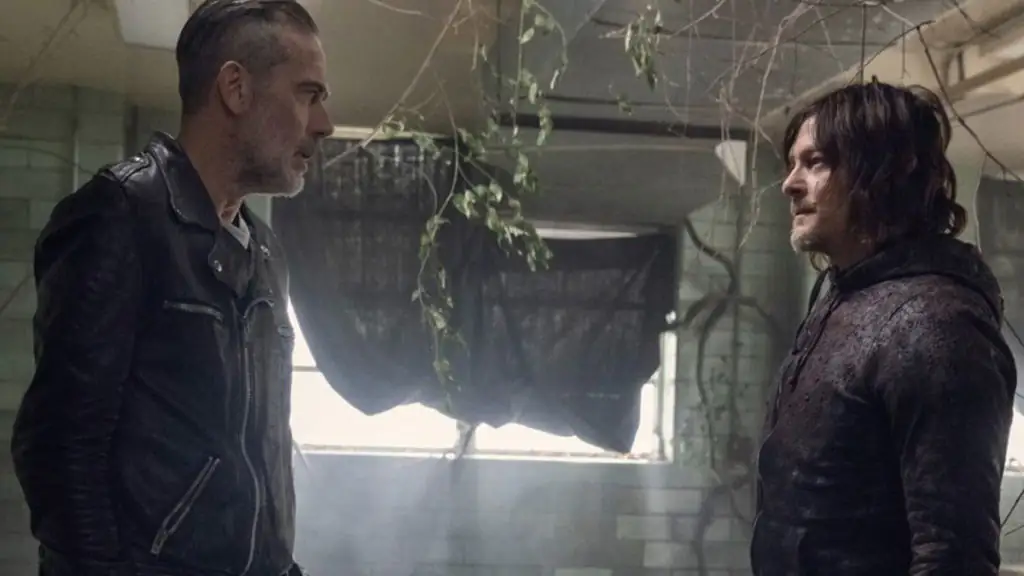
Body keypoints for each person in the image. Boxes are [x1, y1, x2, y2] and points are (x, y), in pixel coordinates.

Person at [10, 0, 333, 574]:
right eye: (308, 94)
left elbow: (259, 455)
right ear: (236, 89)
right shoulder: (120, 215)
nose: (324, 124)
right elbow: (59, 449)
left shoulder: (264, 254)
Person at [751, 80, 1017, 575]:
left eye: (815, 162)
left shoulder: (936, 324)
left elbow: (953, 556)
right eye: (792, 163)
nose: (789, 183)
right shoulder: (846, 295)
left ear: (882, 173)